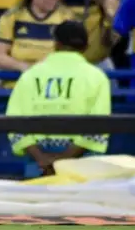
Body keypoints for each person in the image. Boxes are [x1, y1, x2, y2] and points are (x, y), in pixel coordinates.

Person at [6, 20, 111, 177]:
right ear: (86, 46)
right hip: (82, 161)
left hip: (38, 163)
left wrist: (42, 159)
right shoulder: (97, 77)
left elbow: (14, 121)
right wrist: (64, 159)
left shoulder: (30, 74)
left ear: (56, 44)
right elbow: (98, 126)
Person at [0, 0, 77, 76]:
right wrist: (24, 67)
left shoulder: (66, 18)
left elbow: (73, 58)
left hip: (54, 82)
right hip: (17, 83)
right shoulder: (11, 17)